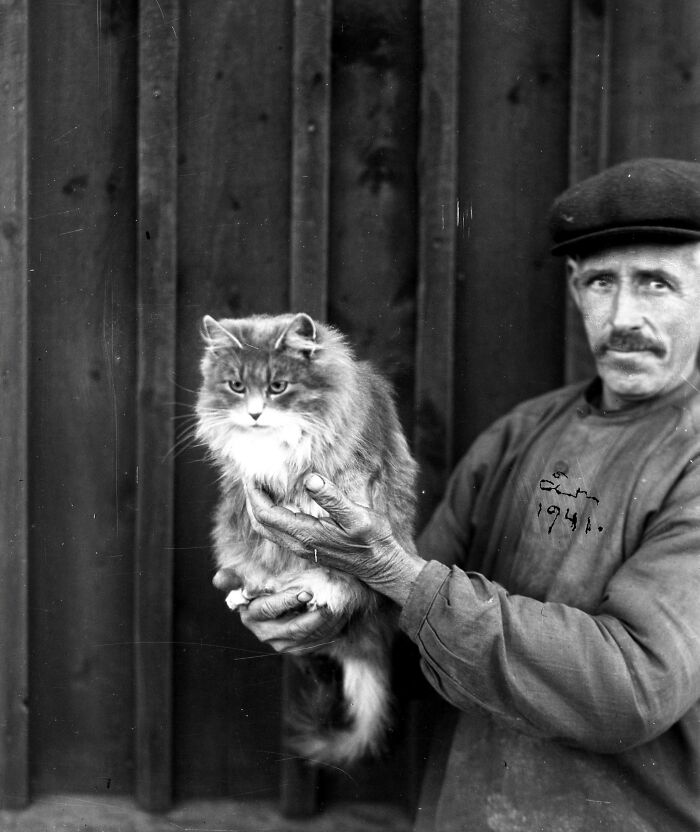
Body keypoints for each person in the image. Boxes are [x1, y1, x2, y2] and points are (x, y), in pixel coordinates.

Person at [215, 157, 700, 831]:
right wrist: (326, 617)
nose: (622, 316)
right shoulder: (520, 437)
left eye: (655, 283)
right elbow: (411, 631)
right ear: (573, 287)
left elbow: (631, 686)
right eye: (599, 281)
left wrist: (388, 570)